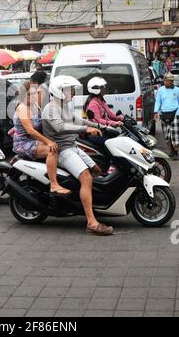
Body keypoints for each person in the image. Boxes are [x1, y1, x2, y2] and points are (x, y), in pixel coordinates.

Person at [42, 75, 114, 236]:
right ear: (59, 91)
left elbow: (79, 120)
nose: (73, 93)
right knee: (86, 177)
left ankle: (93, 204)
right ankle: (91, 222)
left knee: (97, 169)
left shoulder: (64, 106)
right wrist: (85, 130)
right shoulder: (50, 108)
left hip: (73, 146)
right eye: (70, 90)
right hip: (62, 150)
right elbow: (60, 128)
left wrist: (99, 126)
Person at [13, 81, 70, 195]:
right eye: (29, 94)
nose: (33, 96)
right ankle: (54, 184)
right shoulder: (23, 108)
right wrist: (48, 142)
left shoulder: (35, 105)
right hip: (24, 143)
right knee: (52, 149)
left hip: (35, 140)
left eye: (34, 93)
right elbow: (31, 131)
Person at [84, 77, 124, 143]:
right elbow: (98, 121)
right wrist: (114, 123)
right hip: (97, 133)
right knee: (114, 143)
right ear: (95, 89)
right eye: (102, 87)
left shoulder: (101, 100)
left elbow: (110, 115)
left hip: (103, 130)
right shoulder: (93, 104)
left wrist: (122, 118)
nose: (104, 88)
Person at [154, 72, 179, 160]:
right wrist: (156, 112)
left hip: (175, 114)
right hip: (164, 114)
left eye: (168, 81)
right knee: (167, 135)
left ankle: (176, 152)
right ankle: (171, 150)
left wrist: (177, 113)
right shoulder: (161, 90)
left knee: (174, 133)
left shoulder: (177, 90)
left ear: (171, 81)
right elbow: (158, 101)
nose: (166, 82)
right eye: (165, 80)